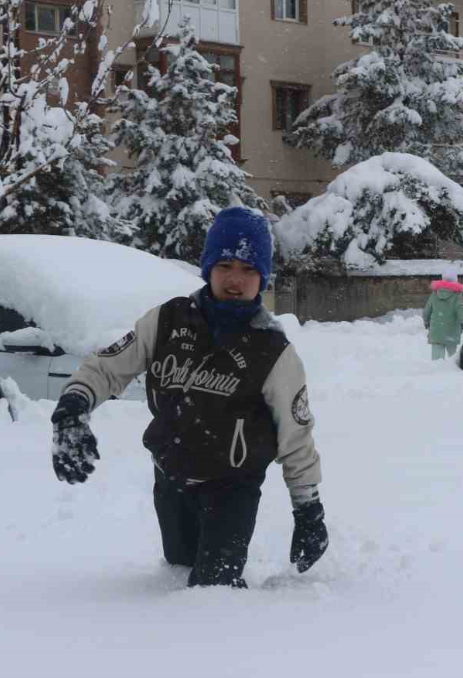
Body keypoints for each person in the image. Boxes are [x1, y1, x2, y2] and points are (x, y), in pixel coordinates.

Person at [49, 207, 327, 589]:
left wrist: (308, 509)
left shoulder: (273, 352)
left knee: (211, 596)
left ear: (263, 278)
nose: (235, 279)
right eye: (225, 265)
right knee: (175, 575)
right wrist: (72, 411)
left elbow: (295, 437)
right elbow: (107, 367)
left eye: (248, 269)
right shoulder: (167, 321)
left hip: (233, 490)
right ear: (208, 267)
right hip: (171, 482)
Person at [423, 269, 463, 360]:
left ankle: (436, 373)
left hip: (436, 330)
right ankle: (451, 373)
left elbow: (426, 311)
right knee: (452, 360)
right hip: (452, 332)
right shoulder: (457, 295)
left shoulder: (435, 293)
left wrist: (426, 321)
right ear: (455, 280)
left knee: (436, 361)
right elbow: (462, 316)